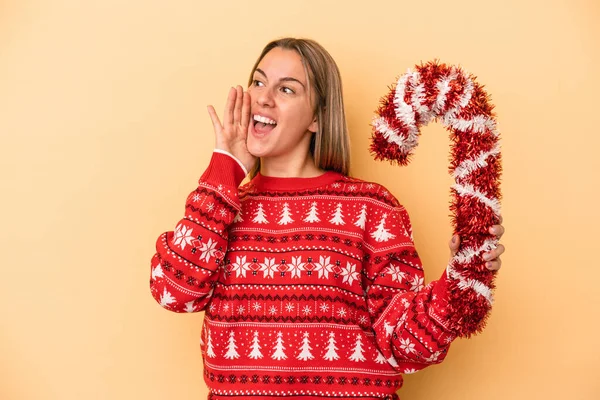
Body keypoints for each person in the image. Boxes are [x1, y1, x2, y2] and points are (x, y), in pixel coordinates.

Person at [149, 38, 505, 399]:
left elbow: (404, 344)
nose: (264, 97)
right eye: (258, 82)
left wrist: (459, 284)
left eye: (286, 89)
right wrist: (225, 166)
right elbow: (173, 291)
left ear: (317, 118)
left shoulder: (371, 207)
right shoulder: (221, 207)